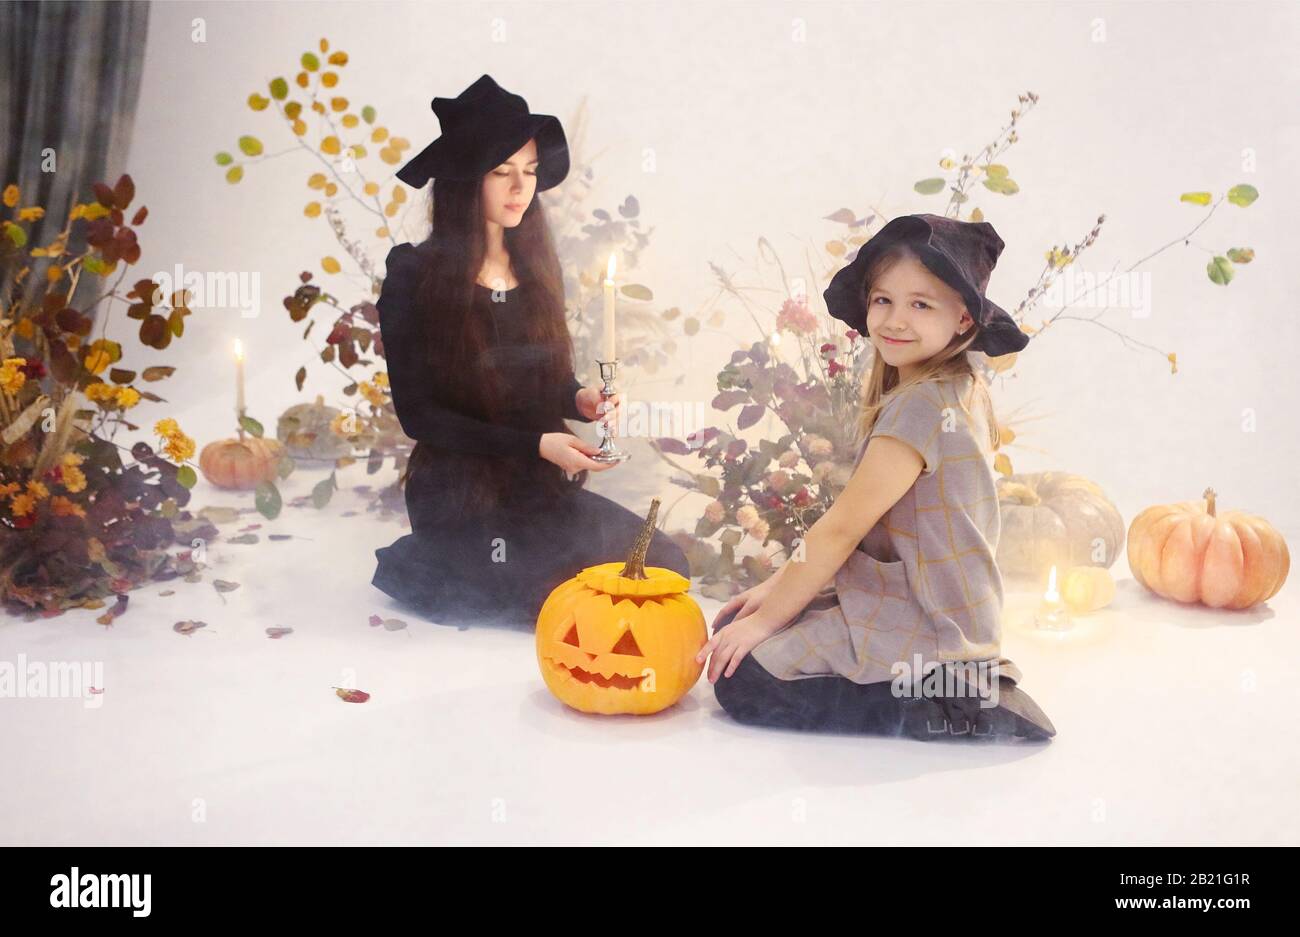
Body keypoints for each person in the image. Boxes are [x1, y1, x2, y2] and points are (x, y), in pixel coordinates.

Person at [698, 214, 1057, 742]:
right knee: (736, 633)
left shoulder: (924, 406)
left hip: (930, 623)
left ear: (962, 321)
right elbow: (857, 531)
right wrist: (776, 590)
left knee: (744, 679)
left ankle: (944, 697)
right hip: (910, 597)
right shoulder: (948, 386)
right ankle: (940, 682)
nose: (894, 319)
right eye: (883, 299)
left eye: (920, 304)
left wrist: (767, 620)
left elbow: (842, 528)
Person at [372, 74, 690, 629]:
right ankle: (433, 562)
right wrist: (537, 444)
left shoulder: (536, 268)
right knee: (561, 602)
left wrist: (581, 399)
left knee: (661, 564)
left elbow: (549, 380)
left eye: (530, 172)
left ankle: (491, 568)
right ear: (465, 181)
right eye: (502, 173)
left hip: (534, 489)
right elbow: (418, 416)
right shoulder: (413, 276)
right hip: (461, 497)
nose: (520, 189)